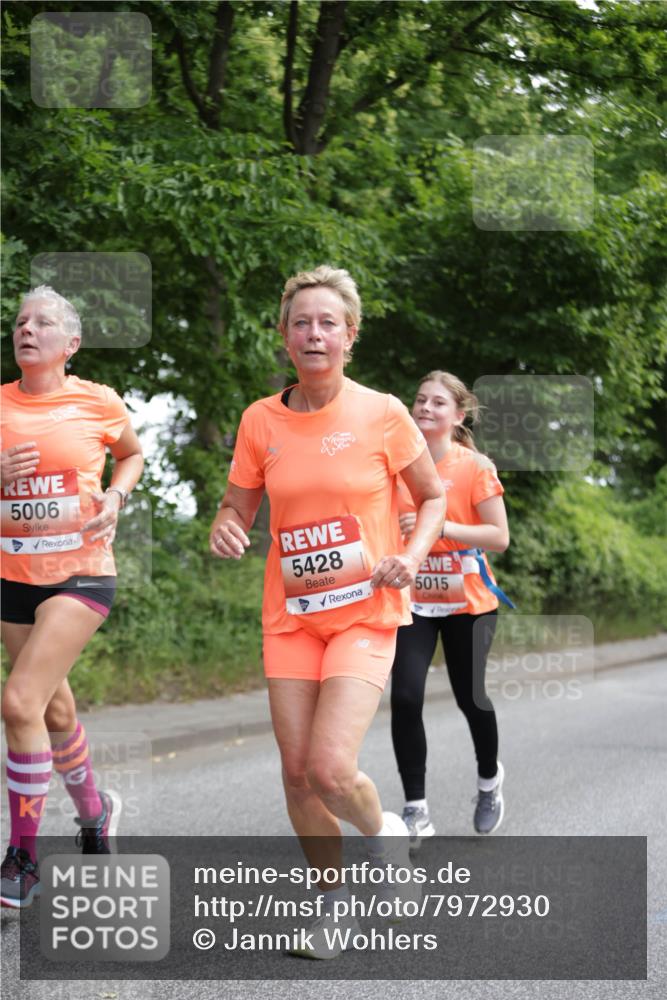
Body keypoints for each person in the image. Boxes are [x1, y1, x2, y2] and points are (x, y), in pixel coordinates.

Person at [210, 266, 445, 958]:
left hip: (365, 610)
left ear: (349, 335)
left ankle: (385, 840)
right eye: (301, 322)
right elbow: (237, 506)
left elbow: (431, 497)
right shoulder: (261, 420)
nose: (314, 333)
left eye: (327, 323)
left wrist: (413, 552)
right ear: (283, 337)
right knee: (294, 772)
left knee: (329, 769)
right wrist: (225, 526)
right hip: (290, 615)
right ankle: (330, 905)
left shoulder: (382, 413)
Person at [0, 286, 144, 908]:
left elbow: (132, 455)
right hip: (12, 576)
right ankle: (95, 813)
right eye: (20, 320)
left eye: (44, 322)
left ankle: (23, 858)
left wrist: (115, 496)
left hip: (81, 574)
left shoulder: (97, 401)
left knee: (17, 701)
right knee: (51, 712)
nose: (27, 329)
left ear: (72, 343)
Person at [390, 371, 514, 848]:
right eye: (419, 399)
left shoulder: (474, 466)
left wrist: (442, 527)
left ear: (457, 416)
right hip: (414, 599)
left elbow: (499, 538)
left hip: (470, 603)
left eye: (437, 403)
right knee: (405, 697)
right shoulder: (396, 466)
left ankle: (488, 782)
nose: (424, 407)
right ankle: (416, 809)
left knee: (471, 699)